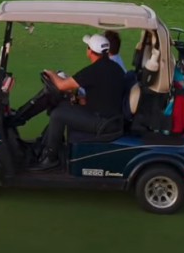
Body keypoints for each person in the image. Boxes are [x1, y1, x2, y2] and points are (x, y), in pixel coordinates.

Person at [31, 33, 127, 171]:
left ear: (90, 51)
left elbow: (62, 85)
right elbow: (105, 93)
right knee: (64, 105)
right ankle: (45, 146)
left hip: (104, 122)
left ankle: (50, 159)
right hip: (108, 117)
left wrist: (50, 73)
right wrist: (83, 100)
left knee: (58, 114)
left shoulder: (94, 70)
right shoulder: (114, 67)